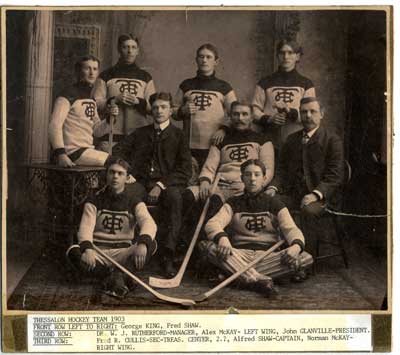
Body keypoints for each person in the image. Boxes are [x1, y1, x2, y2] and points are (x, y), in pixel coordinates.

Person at [199, 159, 313, 295]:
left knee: (305, 257)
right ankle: (259, 279)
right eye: (248, 175)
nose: (252, 179)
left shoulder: (275, 203)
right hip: (238, 255)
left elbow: (291, 229)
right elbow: (213, 223)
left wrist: (295, 247)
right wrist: (222, 239)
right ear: (242, 178)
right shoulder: (233, 203)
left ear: (264, 178)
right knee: (206, 246)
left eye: (257, 175)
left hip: (268, 256)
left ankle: (239, 277)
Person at [112, 92, 192, 277]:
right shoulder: (141, 133)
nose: (159, 111)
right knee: (126, 193)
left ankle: (167, 257)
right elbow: (118, 151)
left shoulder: (178, 136)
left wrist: (161, 185)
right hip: (140, 182)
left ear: (171, 110)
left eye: (163, 107)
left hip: (167, 185)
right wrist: (127, 173)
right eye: (155, 107)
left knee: (174, 198)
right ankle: (124, 250)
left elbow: (185, 169)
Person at [66, 157, 157, 298]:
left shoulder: (134, 200)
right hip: (98, 252)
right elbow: (86, 227)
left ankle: (111, 276)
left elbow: (148, 222)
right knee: (74, 252)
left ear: (127, 178)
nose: (115, 176)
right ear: (106, 175)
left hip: (123, 252)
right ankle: (119, 276)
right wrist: (88, 249)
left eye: (120, 173)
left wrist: (144, 243)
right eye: (112, 172)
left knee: (152, 244)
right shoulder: (94, 199)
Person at [265, 97, 344, 260]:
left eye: (312, 111)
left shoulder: (332, 140)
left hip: (322, 199)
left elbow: (335, 175)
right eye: (304, 112)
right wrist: (273, 187)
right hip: (295, 195)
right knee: (271, 202)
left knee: (308, 210)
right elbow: (282, 171)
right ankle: (277, 257)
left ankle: (305, 261)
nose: (308, 116)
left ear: (321, 114)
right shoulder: (292, 140)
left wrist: (315, 194)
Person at [183, 100, 274, 223]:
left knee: (215, 203)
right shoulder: (221, 140)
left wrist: (253, 186)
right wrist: (204, 181)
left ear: (252, 117)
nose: (239, 118)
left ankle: (209, 238)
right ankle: (187, 240)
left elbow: (268, 169)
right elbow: (210, 166)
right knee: (189, 194)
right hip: (220, 184)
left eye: (244, 114)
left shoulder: (262, 140)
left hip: (245, 185)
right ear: (230, 117)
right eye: (236, 114)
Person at [175, 43, 237, 169]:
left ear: (216, 61)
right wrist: (182, 111)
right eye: (201, 57)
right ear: (196, 60)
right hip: (189, 144)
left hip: (215, 143)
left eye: (209, 57)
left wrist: (224, 129)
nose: (204, 60)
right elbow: (172, 111)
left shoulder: (224, 87)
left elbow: (236, 114)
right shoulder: (186, 85)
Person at [49, 55, 117, 167]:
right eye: (87, 68)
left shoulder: (91, 98)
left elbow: (97, 130)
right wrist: (61, 154)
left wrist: (110, 118)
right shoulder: (67, 95)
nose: (91, 73)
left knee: (117, 167)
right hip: (71, 153)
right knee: (116, 164)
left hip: (86, 151)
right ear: (78, 71)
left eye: (95, 69)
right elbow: (54, 125)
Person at [93, 34, 156, 152]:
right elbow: (95, 104)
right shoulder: (106, 75)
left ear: (137, 51)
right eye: (125, 47)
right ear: (119, 49)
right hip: (111, 134)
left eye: (133, 47)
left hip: (138, 134)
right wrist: (114, 100)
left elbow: (154, 108)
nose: (129, 51)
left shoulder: (145, 77)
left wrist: (138, 102)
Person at [252, 38, 316, 153]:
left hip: (297, 139)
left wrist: (291, 112)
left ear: (298, 57)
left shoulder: (306, 84)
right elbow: (254, 111)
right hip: (269, 139)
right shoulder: (265, 82)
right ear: (277, 56)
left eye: (290, 53)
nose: (286, 57)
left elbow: (311, 113)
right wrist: (270, 118)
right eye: (282, 53)